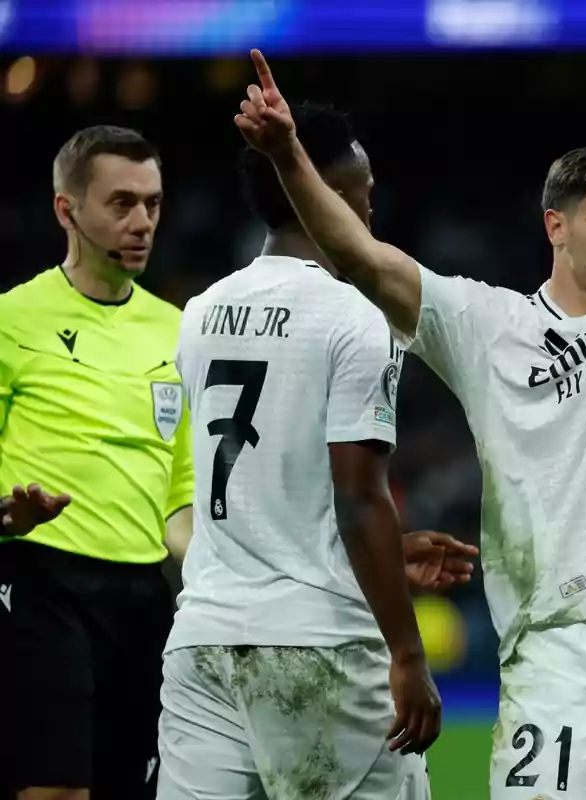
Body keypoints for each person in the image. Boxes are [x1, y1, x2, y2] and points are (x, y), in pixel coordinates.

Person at [235, 50, 586, 800]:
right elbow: (362, 257)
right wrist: (288, 153)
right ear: (556, 224)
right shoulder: (488, 323)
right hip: (559, 649)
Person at [157, 101, 478, 800]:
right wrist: (407, 652)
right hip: (317, 646)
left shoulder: (199, 313)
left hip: (204, 641)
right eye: (361, 193)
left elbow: (258, 491)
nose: (369, 211)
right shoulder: (357, 317)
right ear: (316, 192)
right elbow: (357, 496)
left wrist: (390, 557)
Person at [0, 125, 194, 800]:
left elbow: (181, 499)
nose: (141, 222)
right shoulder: (10, 320)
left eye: (153, 203)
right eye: (120, 203)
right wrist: (7, 517)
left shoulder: (178, 329)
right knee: (57, 791)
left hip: (144, 596)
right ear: (67, 210)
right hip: (41, 583)